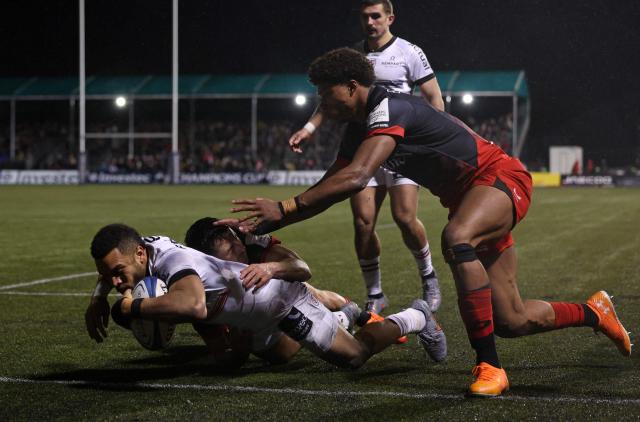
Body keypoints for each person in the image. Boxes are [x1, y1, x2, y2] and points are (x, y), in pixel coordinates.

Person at [223, 47, 632, 397]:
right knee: (512, 319)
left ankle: (490, 367)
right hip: (471, 198)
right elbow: (334, 184)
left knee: (456, 237)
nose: (323, 107)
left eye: (326, 97)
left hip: (500, 179)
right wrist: (268, 223)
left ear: (352, 85)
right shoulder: (358, 128)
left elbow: (355, 177)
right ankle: (594, 312)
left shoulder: (390, 106)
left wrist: (287, 206)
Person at [87, 223, 447, 371]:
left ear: (138, 256)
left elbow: (192, 305)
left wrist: (131, 307)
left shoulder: (174, 260)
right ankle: (346, 316)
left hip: (281, 300)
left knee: (354, 356)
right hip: (257, 312)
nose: (117, 281)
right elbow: (118, 258)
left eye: (118, 273)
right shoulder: (143, 248)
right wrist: (98, 295)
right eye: (110, 276)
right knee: (279, 356)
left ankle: (417, 317)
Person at [288, 0, 444, 313]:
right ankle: (376, 294)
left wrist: (434, 136)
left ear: (390, 18)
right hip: (365, 145)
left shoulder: (410, 52)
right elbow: (330, 98)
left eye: (376, 16)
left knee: (404, 217)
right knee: (363, 223)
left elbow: (433, 96)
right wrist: (308, 128)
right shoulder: (354, 55)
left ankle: (428, 276)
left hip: (401, 144)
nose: (370, 22)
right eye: (364, 17)